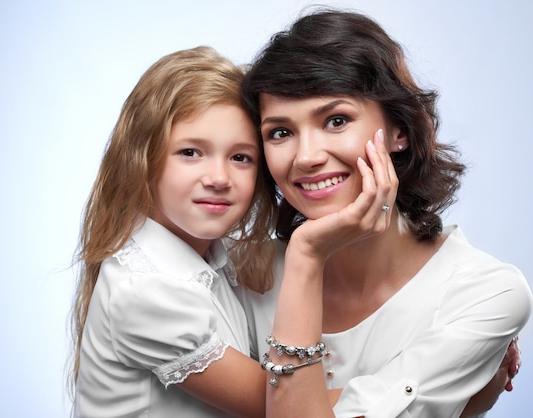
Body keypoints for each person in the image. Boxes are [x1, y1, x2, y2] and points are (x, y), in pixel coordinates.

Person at [238, 7, 533, 418]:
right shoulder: (242, 275)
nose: (306, 157)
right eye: (281, 132)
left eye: (336, 120)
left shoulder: (483, 295)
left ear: (400, 131)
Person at [68, 46, 276, 417]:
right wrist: (408, 383)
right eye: (191, 152)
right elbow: (289, 409)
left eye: (240, 157)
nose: (218, 178)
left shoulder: (215, 258)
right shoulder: (148, 289)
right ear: (142, 158)